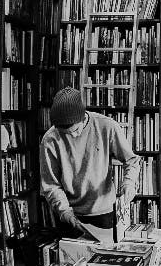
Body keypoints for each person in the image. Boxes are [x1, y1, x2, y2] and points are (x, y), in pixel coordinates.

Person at [39, 87, 141, 243]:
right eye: (66, 133)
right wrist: (65, 212)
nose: (72, 136)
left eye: (76, 130)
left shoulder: (106, 126)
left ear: (83, 117)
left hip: (105, 212)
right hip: (70, 215)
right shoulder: (50, 140)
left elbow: (131, 160)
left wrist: (129, 183)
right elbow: (51, 184)